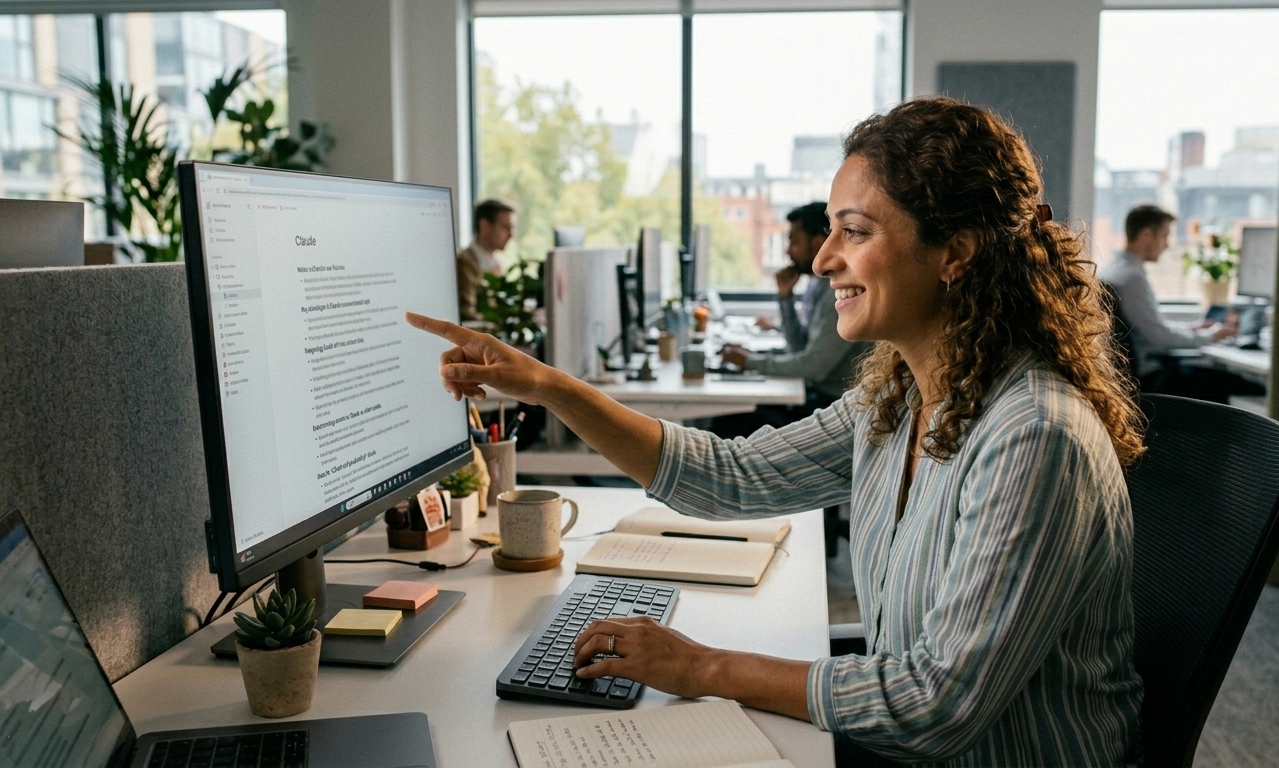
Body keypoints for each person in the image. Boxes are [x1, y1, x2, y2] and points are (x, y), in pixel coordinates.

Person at [407, 97, 1145, 766]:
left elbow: (935, 707)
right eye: (830, 230)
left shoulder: (1034, 436)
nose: (823, 259)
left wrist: (702, 668)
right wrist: (548, 385)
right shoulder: (897, 399)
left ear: (954, 251)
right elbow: (730, 477)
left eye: (853, 232)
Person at [713, 202, 868, 436]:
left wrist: (751, 362)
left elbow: (813, 367)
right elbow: (800, 347)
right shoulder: (820, 286)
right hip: (819, 397)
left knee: (729, 421)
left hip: (835, 408)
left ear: (818, 243)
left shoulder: (841, 292)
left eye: (794, 241)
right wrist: (785, 298)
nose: (788, 251)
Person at [1100, 205, 1254, 402]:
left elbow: (1152, 328)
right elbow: (1161, 338)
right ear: (1147, 234)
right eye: (1164, 236)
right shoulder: (1132, 278)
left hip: (1145, 371)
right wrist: (1211, 336)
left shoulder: (1116, 270)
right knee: (1238, 384)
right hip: (1152, 377)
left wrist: (1194, 328)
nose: (1167, 245)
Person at [457, 198, 517, 321]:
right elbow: (467, 314)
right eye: (506, 227)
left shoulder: (496, 262)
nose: (511, 234)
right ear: (485, 226)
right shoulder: (464, 262)